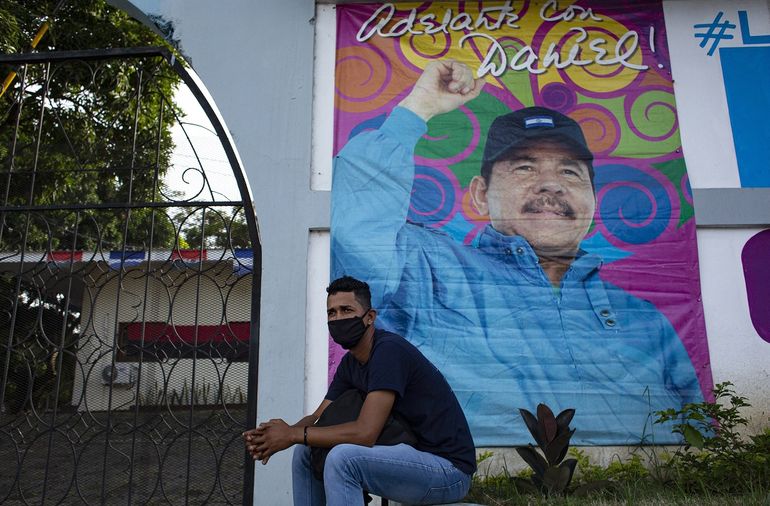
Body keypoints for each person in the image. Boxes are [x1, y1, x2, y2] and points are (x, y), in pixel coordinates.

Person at [331, 59, 704, 446]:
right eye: (524, 167)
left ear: (594, 201)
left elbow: (698, 433)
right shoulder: (427, 269)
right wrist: (417, 110)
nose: (551, 185)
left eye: (570, 172)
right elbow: (360, 230)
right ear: (479, 194)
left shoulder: (645, 320)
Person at [243, 276, 476, 505]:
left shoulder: (388, 352)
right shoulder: (350, 363)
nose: (338, 318)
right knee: (304, 451)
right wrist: (279, 435)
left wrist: (292, 435)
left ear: (369, 317)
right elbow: (317, 418)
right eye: (331, 313)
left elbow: (366, 432)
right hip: (409, 458)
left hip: (448, 470)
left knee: (343, 458)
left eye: (346, 310)